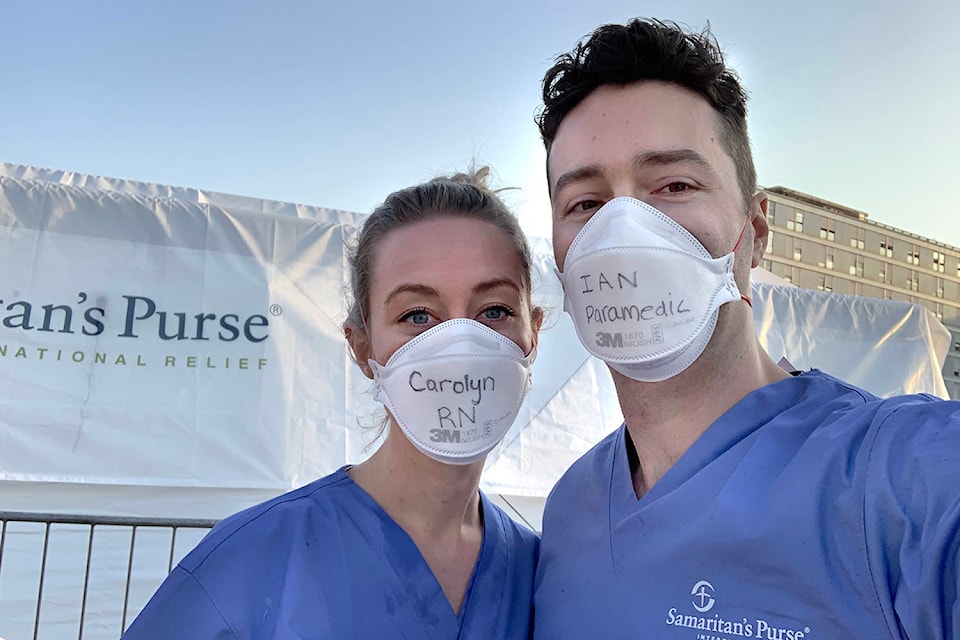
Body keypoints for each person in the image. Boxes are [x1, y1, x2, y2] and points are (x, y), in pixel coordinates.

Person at [532, 18, 959, 639]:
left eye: (674, 186)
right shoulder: (570, 511)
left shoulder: (897, 483)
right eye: (586, 204)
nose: (623, 233)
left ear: (753, 233)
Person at [122, 167, 542, 639]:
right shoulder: (253, 562)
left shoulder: (541, 576)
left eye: (495, 311)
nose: (461, 346)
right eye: (418, 315)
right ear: (362, 345)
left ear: (534, 332)